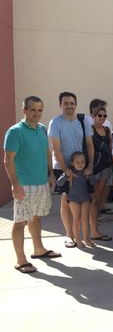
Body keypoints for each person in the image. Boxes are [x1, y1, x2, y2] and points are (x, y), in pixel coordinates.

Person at [4, 96, 60, 274]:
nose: (37, 113)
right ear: (25, 111)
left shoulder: (42, 130)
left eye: (40, 110)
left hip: (41, 183)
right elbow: (8, 161)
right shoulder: (15, 132)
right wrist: (15, 185)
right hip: (24, 185)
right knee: (20, 221)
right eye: (33, 110)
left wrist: (50, 174)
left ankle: (39, 249)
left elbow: (46, 152)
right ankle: (21, 260)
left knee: (36, 217)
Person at [48, 91, 99, 247]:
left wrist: (90, 166)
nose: (69, 106)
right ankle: (70, 235)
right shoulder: (55, 122)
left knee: (85, 199)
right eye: (65, 103)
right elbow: (55, 149)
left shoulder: (84, 121)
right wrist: (66, 170)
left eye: (72, 103)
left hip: (82, 166)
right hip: (62, 166)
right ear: (60, 105)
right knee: (65, 202)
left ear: (76, 105)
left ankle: (85, 236)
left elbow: (90, 145)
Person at [56, 152, 96, 248]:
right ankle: (77, 239)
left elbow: (94, 182)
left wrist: (90, 175)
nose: (80, 164)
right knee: (76, 219)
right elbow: (59, 183)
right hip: (73, 199)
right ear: (72, 163)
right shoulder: (70, 172)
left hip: (85, 198)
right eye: (77, 162)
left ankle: (86, 238)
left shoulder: (86, 172)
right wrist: (66, 174)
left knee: (85, 219)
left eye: (82, 162)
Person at [89, 106, 113, 238]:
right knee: (94, 195)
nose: (102, 118)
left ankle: (96, 215)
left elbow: (110, 148)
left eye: (104, 116)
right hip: (94, 166)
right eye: (99, 115)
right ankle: (93, 221)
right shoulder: (90, 129)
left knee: (101, 192)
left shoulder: (107, 130)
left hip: (105, 165)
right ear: (94, 116)